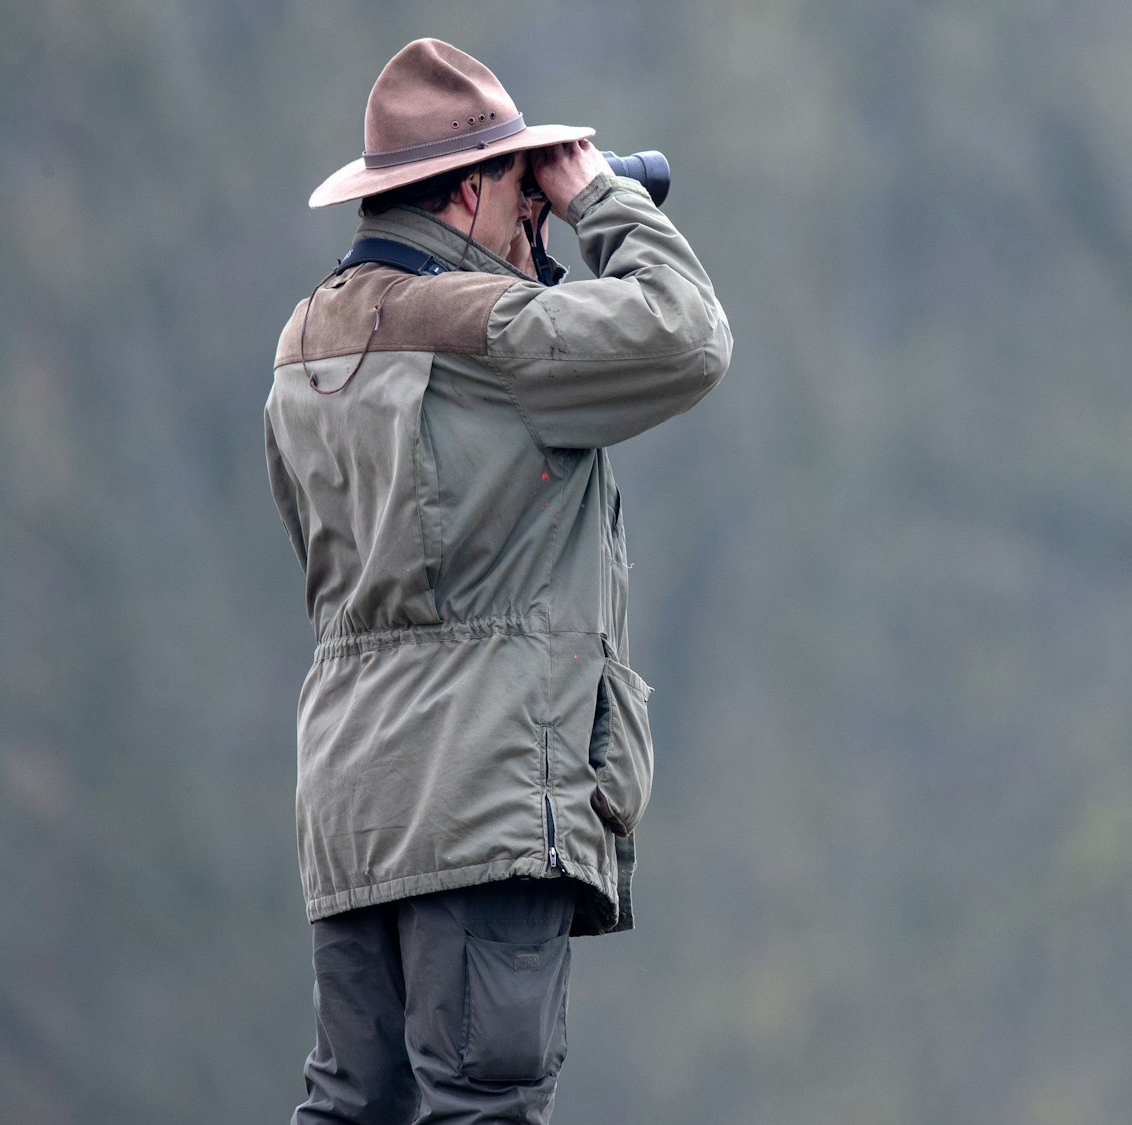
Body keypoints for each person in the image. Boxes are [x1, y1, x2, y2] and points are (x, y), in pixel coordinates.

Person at [263, 38, 731, 1123]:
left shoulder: (303, 347)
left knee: (354, 1107)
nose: (538, 219)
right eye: (526, 193)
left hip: (350, 807)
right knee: (483, 1104)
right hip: (480, 797)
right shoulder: (495, 336)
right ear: (471, 190)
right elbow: (687, 334)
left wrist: (544, 210)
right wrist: (602, 200)